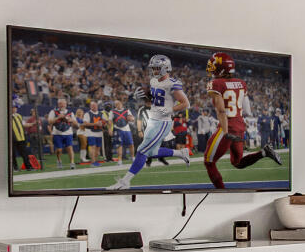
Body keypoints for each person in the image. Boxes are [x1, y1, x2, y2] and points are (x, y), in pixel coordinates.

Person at [201, 51, 282, 189]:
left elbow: (221, 111)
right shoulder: (241, 83)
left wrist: (225, 131)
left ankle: (221, 192)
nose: (211, 69)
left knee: (209, 162)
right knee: (237, 162)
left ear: (221, 68)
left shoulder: (216, 83)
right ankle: (264, 152)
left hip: (227, 127)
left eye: (214, 66)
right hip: (239, 126)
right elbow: (247, 109)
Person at [111, 55, 191, 191]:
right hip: (153, 120)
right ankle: (181, 153)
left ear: (165, 68)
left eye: (157, 68)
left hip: (163, 122)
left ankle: (125, 181)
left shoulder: (173, 83)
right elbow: (156, 97)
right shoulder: (154, 80)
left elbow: (185, 103)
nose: (154, 70)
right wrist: (142, 96)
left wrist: (170, 109)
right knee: (152, 151)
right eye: (153, 68)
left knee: (142, 151)